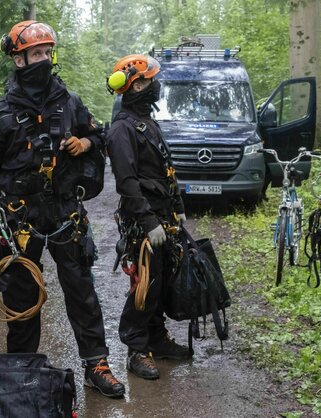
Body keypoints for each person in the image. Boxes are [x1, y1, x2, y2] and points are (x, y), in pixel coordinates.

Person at [0, 20, 125, 398]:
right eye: (37, 53)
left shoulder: (69, 101)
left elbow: (96, 133)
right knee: (22, 297)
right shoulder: (1, 112)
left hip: (65, 212)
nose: (44, 59)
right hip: (21, 217)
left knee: (82, 290)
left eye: (48, 53)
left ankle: (96, 364)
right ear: (18, 59)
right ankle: (22, 369)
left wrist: (84, 144)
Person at [106, 54, 192, 380]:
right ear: (138, 84)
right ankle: (136, 348)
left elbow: (164, 168)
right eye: (151, 80)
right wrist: (148, 221)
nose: (156, 86)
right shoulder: (121, 130)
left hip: (163, 214)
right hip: (145, 222)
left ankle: (157, 338)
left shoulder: (148, 123)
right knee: (145, 286)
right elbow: (127, 183)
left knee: (162, 282)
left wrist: (178, 205)